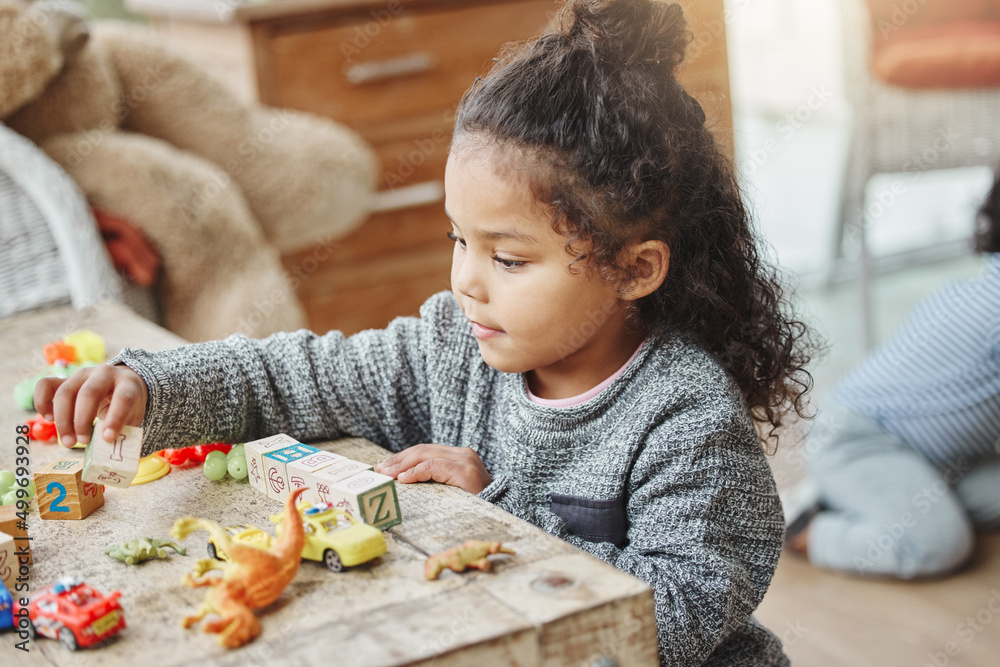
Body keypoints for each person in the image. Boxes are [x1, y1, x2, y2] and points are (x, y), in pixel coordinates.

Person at [35, 0, 815, 664]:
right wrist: (153, 384)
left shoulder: (686, 415)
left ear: (636, 269)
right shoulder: (456, 343)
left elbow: (673, 617)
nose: (465, 280)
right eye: (458, 239)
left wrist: (495, 510)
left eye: (509, 257)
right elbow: (298, 377)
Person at [783, 172, 1000, 579]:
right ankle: (808, 525)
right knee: (938, 544)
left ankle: (907, 497)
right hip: (863, 443)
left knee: (941, 513)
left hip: (945, 457)